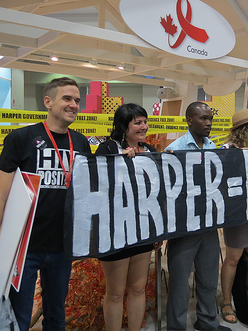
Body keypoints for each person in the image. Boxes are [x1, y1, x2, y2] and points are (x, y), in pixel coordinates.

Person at [0, 77, 91, 331]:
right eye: (67, 98)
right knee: (17, 318)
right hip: (22, 249)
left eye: (77, 100)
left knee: (57, 316)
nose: (73, 105)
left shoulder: (80, 143)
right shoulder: (21, 138)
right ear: (48, 102)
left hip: (62, 247)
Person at [165, 102, 231, 331]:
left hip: (209, 223)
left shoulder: (212, 146)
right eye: (203, 118)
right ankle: (176, 327)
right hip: (184, 227)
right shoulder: (175, 149)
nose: (208, 123)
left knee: (209, 279)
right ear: (189, 121)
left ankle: (207, 322)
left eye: (210, 118)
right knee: (179, 283)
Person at [95, 103, 156, 331]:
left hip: (142, 230)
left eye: (144, 121)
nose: (143, 126)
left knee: (138, 288)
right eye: (137, 122)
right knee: (116, 291)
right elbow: (98, 186)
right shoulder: (108, 149)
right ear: (123, 125)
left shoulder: (149, 150)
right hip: (115, 231)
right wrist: (119, 162)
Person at [218, 109, 248, 324]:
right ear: (246, 128)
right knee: (233, 258)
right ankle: (226, 301)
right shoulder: (227, 150)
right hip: (236, 213)